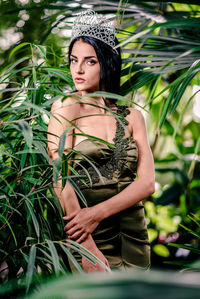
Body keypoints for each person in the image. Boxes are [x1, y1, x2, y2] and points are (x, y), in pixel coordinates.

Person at [47, 10, 155, 272]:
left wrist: (95, 214)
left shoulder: (131, 115)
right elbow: (59, 178)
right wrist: (87, 248)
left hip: (131, 230)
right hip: (87, 234)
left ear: (107, 63)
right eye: (73, 60)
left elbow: (148, 183)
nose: (78, 69)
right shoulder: (66, 107)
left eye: (90, 61)